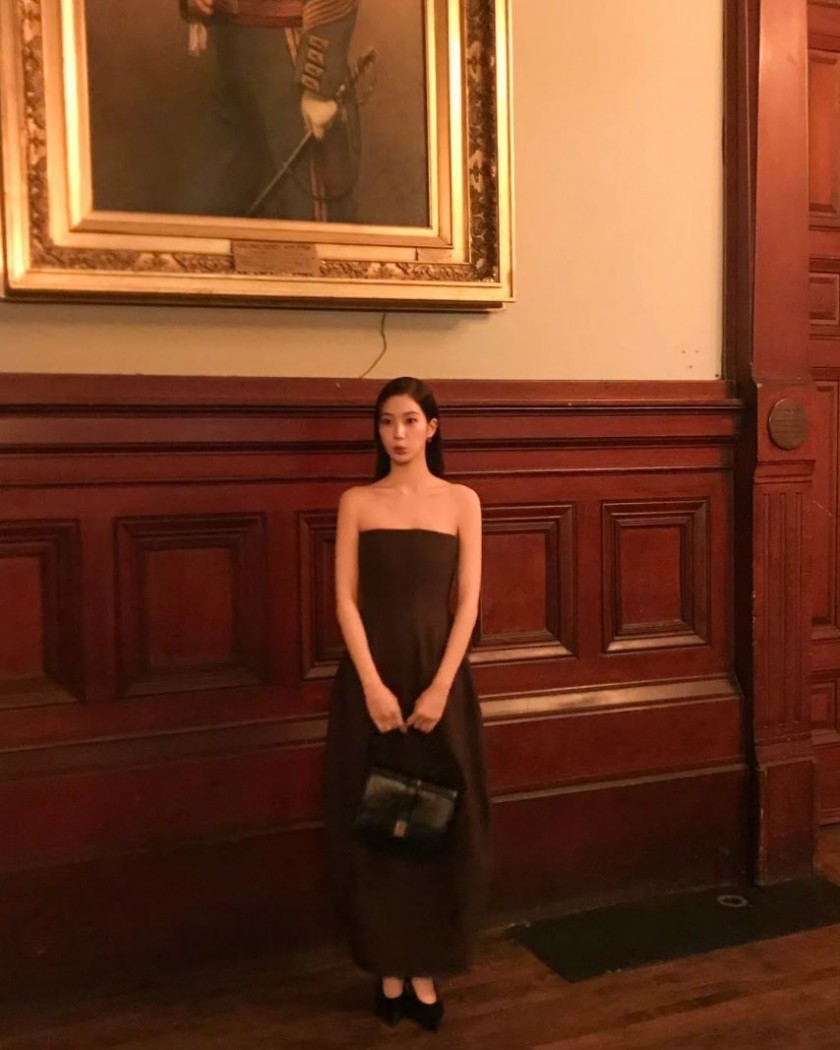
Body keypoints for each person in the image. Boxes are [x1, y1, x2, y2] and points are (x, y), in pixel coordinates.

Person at [323, 376, 492, 1032]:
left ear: (432, 428)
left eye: (410, 420)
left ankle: (426, 970)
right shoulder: (357, 502)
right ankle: (386, 970)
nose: (397, 433)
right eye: (386, 421)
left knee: (440, 822)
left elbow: (468, 604)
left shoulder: (462, 501)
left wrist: (441, 687)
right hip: (371, 680)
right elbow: (346, 601)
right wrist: (371, 685)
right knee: (374, 822)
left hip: (439, 680)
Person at [179, 0, 360, 220]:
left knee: (305, 212)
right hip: (230, 47)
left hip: (289, 51)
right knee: (212, 212)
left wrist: (318, 84)